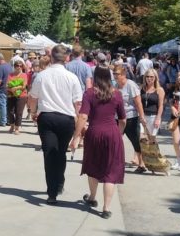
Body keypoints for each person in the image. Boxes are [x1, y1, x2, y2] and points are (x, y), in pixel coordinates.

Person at [28, 44, 84, 205]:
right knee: (60, 153)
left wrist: (33, 112)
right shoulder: (71, 77)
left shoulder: (42, 76)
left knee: (49, 153)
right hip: (66, 119)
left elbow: (33, 97)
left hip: (47, 117)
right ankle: (58, 182)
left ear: (51, 57)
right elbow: (78, 103)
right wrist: (79, 122)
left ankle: (52, 190)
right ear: (66, 58)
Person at [79, 66, 127, 218]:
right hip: (112, 132)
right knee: (111, 171)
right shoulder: (117, 94)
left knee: (93, 165)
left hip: (94, 132)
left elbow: (83, 116)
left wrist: (76, 136)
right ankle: (106, 208)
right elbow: (123, 119)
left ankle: (93, 197)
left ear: (95, 77)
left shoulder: (89, 93)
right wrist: (118, 133)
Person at [114, 65, 147, 173]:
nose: (115, 76)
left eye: (117, 74)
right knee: (116, 141)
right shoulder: (115, 85)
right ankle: (116, 162)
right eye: (114, 74)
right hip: (117, 118)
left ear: (123, 75)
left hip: (131, 118)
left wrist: (142, 117)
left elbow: (138, 102)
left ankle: (142, 164)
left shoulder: (131, 85)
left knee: (135, 141)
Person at [140, 68, 165, 141]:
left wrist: (158, 118)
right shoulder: (141, 88)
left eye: (151, 77)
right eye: (147, 76)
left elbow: (161, 106)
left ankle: (153, 152)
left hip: (153, 117)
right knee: (142, 138)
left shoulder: (159, 90)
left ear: (155, 78)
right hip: (142, 116)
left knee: (151, 140)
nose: (149, 79)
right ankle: (141, 152)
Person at [6, 58, 30, 135]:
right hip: (11, 95)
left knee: (18, 112)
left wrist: (15, 88)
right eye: (17, 65)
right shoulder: (10, 74)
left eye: (20, 66)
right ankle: (12, 125)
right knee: (10, 111)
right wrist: (10, 89)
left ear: (22, 67)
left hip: (21, 96)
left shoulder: (24, 75)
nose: (18, 67)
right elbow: (6, 85)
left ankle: (17, 128)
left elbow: (24, 86)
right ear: (14, 66)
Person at [0, 53, 13, 127]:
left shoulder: (0, 67)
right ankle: (8, 120)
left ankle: (3, 121)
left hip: (1, 89)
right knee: (8, 106)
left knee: (2, 106)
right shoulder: (9, 66)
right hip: (9, 88)